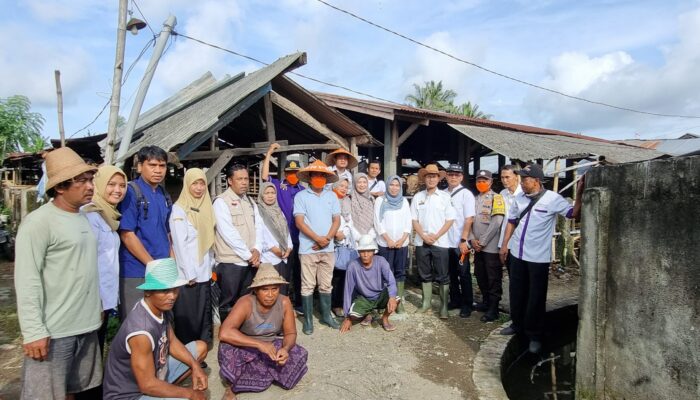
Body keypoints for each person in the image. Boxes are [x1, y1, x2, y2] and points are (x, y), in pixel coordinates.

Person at [14, 148, 102, 399]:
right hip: (54, 330)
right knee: (46, 394)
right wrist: (33, 332)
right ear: (60, 187)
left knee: (73, 390)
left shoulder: (83, 217)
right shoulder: (39, 223)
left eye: (90, 179)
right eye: (82, 181)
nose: (90, 186)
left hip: (85, 325)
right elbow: (27, 280)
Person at [499, 163, 582, 353]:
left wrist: (580, 192)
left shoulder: (552, 199)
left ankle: (534, 335)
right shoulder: (519, 198)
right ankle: (517, 325)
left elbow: (573, 214)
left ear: (536, 181)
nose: (522, 182)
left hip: (538, 257)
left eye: (525, 179)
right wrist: (505, 245)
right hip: (517, 253)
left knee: (535, 297)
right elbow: (511, 222)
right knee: (517, 292)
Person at [103, 258, 208, 400]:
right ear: (147, 292)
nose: (172, 296)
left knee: (200, 347)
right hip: (130, 395)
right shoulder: (141, 331)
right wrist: (190, 393)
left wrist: (195, 366)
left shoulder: (158, 308)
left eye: (174, 289)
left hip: (153, 375)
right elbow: (147, 385)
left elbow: (171, 340)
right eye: (165, 291)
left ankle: (165, 391)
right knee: (188, 398)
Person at [218, 264, 308, 399]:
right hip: (246, 346)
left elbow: (290, 333)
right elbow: (224, 333)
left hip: (270, 344)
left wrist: (285, 349)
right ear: (255, 290)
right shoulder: (245, 303)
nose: (271, 295)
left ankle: (259, 375)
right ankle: (232, 386)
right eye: (265, 289)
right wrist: (259, 344)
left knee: (299, 353)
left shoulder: (284, 302)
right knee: (226, 349)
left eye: (275, 289)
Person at [118, 146, 173, 320]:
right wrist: (151, 265)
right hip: (137, 271)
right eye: (152, 165)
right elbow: (127, 234)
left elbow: (167, 232)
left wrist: (171, 262)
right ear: (140, 166)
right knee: (136, 322)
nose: (158, 170)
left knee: (160, 322)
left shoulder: (163, 194)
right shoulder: (131, 192)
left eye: (162, 166)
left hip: (161, 269)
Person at [82, 165, 128, 353]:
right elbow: (86, 262)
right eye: (111, 184)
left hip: (106, 297)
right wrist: (96, 301)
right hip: (93, 299)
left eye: (122, 185)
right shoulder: (90, 215)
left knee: (97, 349)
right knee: (89, 352)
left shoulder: (109, 214)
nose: (118, 190)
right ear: (99, 185)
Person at [293, 159, 341, 334]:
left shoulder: (332, 196)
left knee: (326, 284)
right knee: (307, 285)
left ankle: (326, 315)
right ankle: (307, 320)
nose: (319, 178)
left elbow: (337, 219)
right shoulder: (301, 196)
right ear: (310, 178)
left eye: (322, 175)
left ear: (326, 178)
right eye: (315, 175)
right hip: (308, 248)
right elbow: (299, 222)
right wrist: (316, 239)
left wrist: (327, 238)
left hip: (327, 247)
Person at [170, 168, 216, 345]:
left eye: (202, 183)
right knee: (189, 315)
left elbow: (210, 241)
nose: (198, 188)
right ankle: (188, 354)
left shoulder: (206, 207)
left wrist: (211, 267)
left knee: (203, 313)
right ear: (187, 185)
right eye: (194, 184)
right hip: (188, 274)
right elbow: (179, 245)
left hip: (204, 271)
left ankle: (202, 349)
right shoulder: (179, 209)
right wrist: (189, 273)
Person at [213, 164, 263, 322]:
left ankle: (242, 332)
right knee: (228, 301)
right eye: (239, 179)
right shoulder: (221, 202)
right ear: (229, 181)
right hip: (230, 261)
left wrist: (257, 249)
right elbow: (228, 233)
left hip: (249, 261)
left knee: (246, 299)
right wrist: (250, 255)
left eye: (246, 178)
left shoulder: (250, 201)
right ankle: (227, 337)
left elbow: (259, 226)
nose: (244, 182)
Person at [261, 143, 305, 314]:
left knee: (300, 273)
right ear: (285, 173)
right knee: (283, 274)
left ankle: (300, 305)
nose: (293, 175)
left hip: (300, 237)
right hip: (281, 239)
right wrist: (270, 153)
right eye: (290, 173)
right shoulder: (279, 186)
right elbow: (265, 176)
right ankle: (283, 305)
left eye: (296, 173)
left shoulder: (303, 190)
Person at [411, 164, 456, 319]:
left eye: (434, 176)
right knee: (424, 274)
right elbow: (414, 220)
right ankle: (426, 303)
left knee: (443, 275)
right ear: (424, 179)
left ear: (438, 178)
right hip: (421, 241)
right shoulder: (418, 197)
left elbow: (450, 220)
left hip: (440, 241)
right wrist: (423, 235)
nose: (431, 179)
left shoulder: (445, 197)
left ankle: (443, 306)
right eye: (428, 176)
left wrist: (435, 236)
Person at [340, 235, 399, 333]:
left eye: (369, 251)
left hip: (380, 295)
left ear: (374, 252)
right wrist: (347, 317)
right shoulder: (353, 266)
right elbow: (348, 290)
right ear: (358, 252)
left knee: (396, 299)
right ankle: (368, 313)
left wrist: (392, 297)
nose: (365, 254)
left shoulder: (381, 261)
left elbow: (391, 280)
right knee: (353, 315)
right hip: (364, 298)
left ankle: (384, 319)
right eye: (362, 251)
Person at [469, 170, 506, 322]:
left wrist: (482, 241)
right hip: (477, 245)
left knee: (493, 278)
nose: (481, 183)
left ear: (491, 182)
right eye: (479, 180)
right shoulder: (474, 199)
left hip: (490, 246)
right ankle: (485, 302)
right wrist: (472, 239)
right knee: (480, 274)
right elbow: (468, 220)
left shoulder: (497, 198)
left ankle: (493, 308)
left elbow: (497, 221)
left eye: (485, 180)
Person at [374, 175, 411, 314]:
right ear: (387, 186)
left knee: (400, 272)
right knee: (385, 272)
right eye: (392, 185)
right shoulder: (380, 200)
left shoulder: (404, 202)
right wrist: (388, 239)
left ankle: (398, 301)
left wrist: (402, 239)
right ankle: (384, 302)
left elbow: (408, 222)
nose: (394, 188)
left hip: (402, 243)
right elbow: (378, 221)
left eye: (397, 185)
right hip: (385, 243)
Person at [443, 163, 476, 318]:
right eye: (451, 174)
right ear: (446, 176)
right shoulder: (442, 193)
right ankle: (455, 299)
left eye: (457, 175)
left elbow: (469, 219)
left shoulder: (466, 194)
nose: (453, 177)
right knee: (450, 274)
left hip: (459, 241)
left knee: (464, 274)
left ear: (461, 177)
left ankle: (467, 304)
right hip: (445, 242)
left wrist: (464, 239)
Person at [497, 164, 523, 336]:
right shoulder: (502, 195)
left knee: (521, 285)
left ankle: (523, 321)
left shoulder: (524, 195)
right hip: (505, 244)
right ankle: (515, 320)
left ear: (517, 177)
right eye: (502, 177)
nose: (505, 180)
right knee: (512, 284)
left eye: (508, 177)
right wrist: (502, 245)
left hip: (521, 246)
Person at [257, 182, 294, 294]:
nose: (270, 195)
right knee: (269, 290)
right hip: (268, 257)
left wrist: (289, 248)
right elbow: (260, 234)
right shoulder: (259, 211)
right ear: (261, 195)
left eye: (273, 193)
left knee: (281, 289)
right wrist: (273, 249)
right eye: (267, 193)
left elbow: (286, 231)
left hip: (283, 257)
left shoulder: (279, 211)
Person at [331, 178, 356, 317]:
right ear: (335, 185)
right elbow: (325, 218)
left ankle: (340, 303)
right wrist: (335, 233)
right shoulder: (329, 199)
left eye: (346, 186)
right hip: (332, 241)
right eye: (341, 185)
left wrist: (344, 232)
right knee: (332, 276)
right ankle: (331, 304)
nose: (344, 188)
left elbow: (350, 221)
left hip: (345, 242)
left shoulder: (347, 201)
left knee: (342, 274)